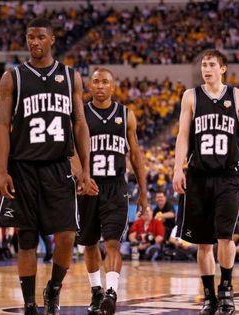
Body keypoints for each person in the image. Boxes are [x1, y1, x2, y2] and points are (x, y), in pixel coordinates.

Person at [0, 18, 98, 315]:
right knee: (26, 240)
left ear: (52, 40)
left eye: (39, 37)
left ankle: (53, 289)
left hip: (59, 166)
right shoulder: (13, 78)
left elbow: (79, 123)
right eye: (29, 37)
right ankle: (28, 303)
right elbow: (1, 124)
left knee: (66, 236)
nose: (33, 42)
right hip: (23, 166)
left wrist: (85, 168)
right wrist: (0, 170)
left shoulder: (70, 76)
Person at [172, 49, 239, 314]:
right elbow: (183, 135)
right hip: (198, 175)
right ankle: (209, 295)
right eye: (204, 64)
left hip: (228, 175)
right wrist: (177, 169)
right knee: (204, 243)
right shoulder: (191, 96)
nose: (206, 68)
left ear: (223, 68)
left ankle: (226, 290)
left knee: (226, 237)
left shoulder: (238, 96)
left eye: (212, 64)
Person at [77, 68, 148, 315]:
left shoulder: (126, 115)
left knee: (113, 243)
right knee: (89, 244)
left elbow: (136, 156)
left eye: (105, 82)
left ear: (113, 87)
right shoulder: (81, 114)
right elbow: (71, 152)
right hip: (88, 187)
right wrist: (80, 177)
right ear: (89, 86)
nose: (99, 86)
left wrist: (144, 193)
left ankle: (111, 292)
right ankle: (96, 291)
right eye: (95, 81)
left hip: (116, 187)